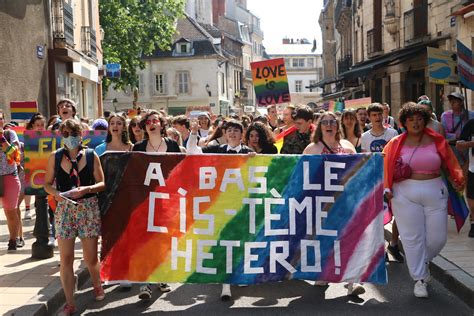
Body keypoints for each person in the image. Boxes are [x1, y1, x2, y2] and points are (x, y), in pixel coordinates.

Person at [383, 103, 464, 298]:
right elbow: (385, 165)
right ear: (403, 122)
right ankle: (419, 279)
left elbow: (451, 162)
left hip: (435, 189)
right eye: (410, 119)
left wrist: (458, 179)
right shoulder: (394, 143)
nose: (415, 122)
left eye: (419, 118)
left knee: (438, 238)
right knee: (412, 238)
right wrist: (386, 187)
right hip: (404, 193)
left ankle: (422, 262)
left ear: (426, 120)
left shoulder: (437, 140)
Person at [43, 119, 106, 315]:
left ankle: (96, 282)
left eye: (72, 133)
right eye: (65, 134)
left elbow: (101, 182)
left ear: (80, 135)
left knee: (90, 257)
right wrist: (56, 193)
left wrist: (87, 188)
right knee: (66, 258)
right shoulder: (55, 157)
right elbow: (47, 183)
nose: (69, 137)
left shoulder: (91, 154)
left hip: (87, 207)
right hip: (65, 209)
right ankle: (70, 303)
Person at [187, 118, 254, 300]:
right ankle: (226, 282)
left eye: (236, 130)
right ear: (224, 134)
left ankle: (237, 273)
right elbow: (193, 152)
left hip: (240, 204)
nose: (232, 133)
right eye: (229, 130)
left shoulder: (250, 153)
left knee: (238, 241)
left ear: (242, 135)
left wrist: (252, 162)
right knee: (223, 241)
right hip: (219, 203)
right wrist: (193, 133)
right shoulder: (216, 150)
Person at [302, 112, 363, 295]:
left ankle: (353, 280)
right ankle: (323, 272)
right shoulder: (312, 149)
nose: (329, 125)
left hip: (345, 201)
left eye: (333, 122)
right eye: (325, 122)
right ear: (320, 127)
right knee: (324, 239)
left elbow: (359, 169)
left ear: (338, 126)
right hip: (322, 202)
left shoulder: (348, 146)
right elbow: (302, 175)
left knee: (349, 239)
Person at [132, 110, 180, 299]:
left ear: (162, 124)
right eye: (148, 122)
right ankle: (144, 283)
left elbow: (181, 168)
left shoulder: (172, 144)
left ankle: (161, 276)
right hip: (145, 199)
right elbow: (133, 173)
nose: (152, 123)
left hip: (168, 200)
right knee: (144, 240)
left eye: (155, 120)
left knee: (162, 241)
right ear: (144, 126)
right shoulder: (138, 146)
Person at [361, 103, 402, 263]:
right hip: (375, 181)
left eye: (380, 115)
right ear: (369, 118)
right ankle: (380, 247)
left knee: (398, 213)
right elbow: (366, 160)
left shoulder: (392, 133)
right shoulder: (365, 137)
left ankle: (394, 243)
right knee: (378, 215)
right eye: (374, 115)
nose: (378, 118)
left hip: (393, 178)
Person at [0, 111, 21, 251]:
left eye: (0, 119)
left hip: (9, 176)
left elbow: (15, 154)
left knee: (10, 211)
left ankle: (13, 240)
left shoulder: (9, 134)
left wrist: (1, 138)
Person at [441, 92, 474, 166]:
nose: (452, 103)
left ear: (461, 102)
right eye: (450, 101)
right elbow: (444, 133)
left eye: (455, 101)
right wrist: (456, 136)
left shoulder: (471, 115)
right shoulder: (445, 115)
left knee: (466, 172)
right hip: (452, 147)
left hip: (467, 148)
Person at [457, 118, 474, 238]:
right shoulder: (471, 124)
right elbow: (459, 145)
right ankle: (473, 223)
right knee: (472, 201)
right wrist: (472, 144)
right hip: (473, 169)